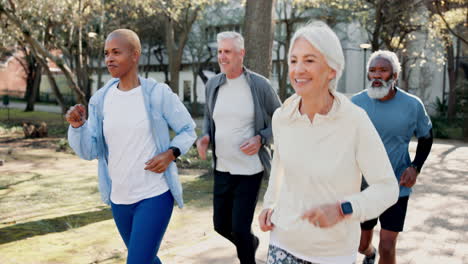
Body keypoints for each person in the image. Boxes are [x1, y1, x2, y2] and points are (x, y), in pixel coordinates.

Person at [258, 21, 399, 264]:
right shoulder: (282, 117)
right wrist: (269, 204)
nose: (298, 69)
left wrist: (344, 209)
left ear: (332, 70)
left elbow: (387, 188)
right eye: (293, 60)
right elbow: (279, 167)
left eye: (309, 60)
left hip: (333, 253)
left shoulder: (355, 121)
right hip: (283, 242)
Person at [65, 29, 196, 264]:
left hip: (154, 194)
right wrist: (77, 128)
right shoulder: (100, 100)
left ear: (135, 55)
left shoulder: (157, 94)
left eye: (116, 52)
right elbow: (90, 151)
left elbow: (188, 129)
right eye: (106, 53)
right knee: (147, 260)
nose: (109, 59)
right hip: (119, 199)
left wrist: (170, 153)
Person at [196, 31, 281, 264]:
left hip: (249, 170)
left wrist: (261, 139)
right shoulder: (213, 84)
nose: (222, 57)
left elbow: (282, 118)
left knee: (240, 229)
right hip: (223, 168)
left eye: (228, 52)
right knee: (221, 226)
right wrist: (205, 138)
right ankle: (251, 244)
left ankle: (248, 251)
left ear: (241, 54)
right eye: (220, 51)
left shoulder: (259, 85)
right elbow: (208, 118)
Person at [352, 50, 433, 264]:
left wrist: (415, 167)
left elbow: (426, 137)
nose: (376, 75)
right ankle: (369, 255)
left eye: (383, 70)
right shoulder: (355, 104)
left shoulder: (412, 105)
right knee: (360, 245)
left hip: (396, 184)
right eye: (372, 71)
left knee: (387, 246)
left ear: (395, 75)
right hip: (363, 186)